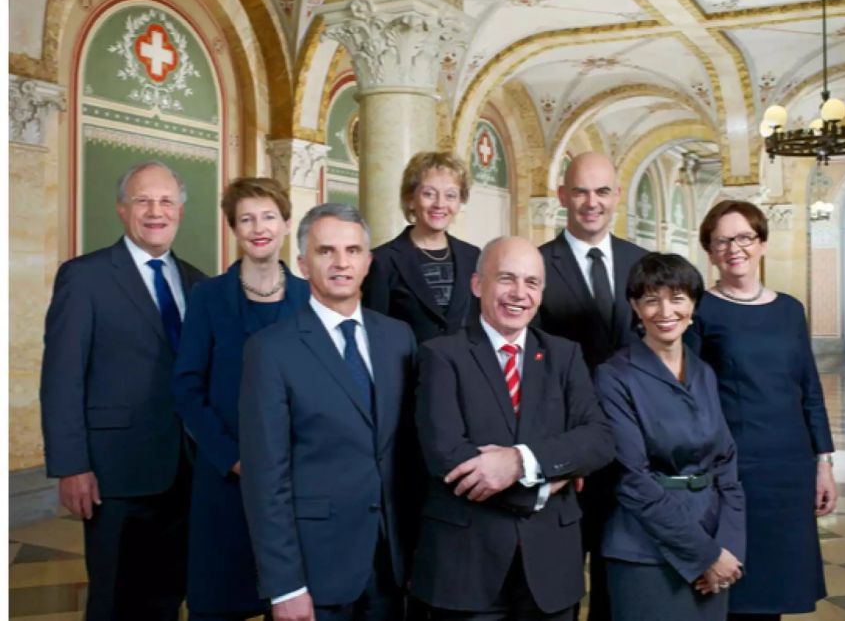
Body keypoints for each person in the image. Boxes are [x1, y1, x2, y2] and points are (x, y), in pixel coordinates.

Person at [410, 236, 616, 620]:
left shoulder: (564, 355)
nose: (519, 294)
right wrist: (549, 481)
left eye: (531, 282)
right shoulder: (441, 355)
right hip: (467, 570)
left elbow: (599, 439)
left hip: (551, 570)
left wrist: (522, 463)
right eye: (506, 279)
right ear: (477, 284)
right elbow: (448, 456)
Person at [40, 160, 206, 621]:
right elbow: (62, 376)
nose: (156, 211)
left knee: (169, 594)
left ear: (180, 211)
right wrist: (72, 465)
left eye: (166, 201)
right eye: (143, 200)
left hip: (187, 469)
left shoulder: (199, 283)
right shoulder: (85, 277)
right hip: (114, 472)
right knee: (115, 599)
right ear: (121, 209)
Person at [239, 203, 418, 621]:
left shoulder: (398, 339)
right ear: (302, 263)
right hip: (316, 572)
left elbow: (411, 454)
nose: (342, 263)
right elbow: (266, 480)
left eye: (353, 251)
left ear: (368, 261)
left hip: (392, 566)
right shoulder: (270, 351)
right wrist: (285, 586)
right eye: (326, 252)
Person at [689, 200, 837, 621]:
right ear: (710, 251)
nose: (735, 248)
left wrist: (823, 462)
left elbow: (809, 389)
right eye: (722, 240)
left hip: (789, 469)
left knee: (775, 591)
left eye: (744, 238)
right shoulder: (701, 310)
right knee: (733, 589)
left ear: (762, 244)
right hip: (735, 469)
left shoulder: (790, 309)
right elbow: (691, 397)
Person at [172, 178, 311, 621]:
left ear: (286, 224)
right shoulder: (207, 297)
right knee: (219, 601)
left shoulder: (311, 299)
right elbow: (187, 387)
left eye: (268, 216)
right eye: (246, 218)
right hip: (225, 478)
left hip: (296, 479)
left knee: (291, 601)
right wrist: (231, 458)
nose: (258, 227)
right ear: (233, 228)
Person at [594, 252, 745, 621]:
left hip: (714, 543)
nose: (665, 310)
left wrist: (728, 548)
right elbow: (632, 480)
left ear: (693, 305)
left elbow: (726, 463)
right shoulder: (614, 376)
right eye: (651, 299)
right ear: (635, 306)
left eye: (677, 297)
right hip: (644, 551)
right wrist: (704, 554)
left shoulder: (704, 372)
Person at [537, 151, 647, 620]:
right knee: (557, 580)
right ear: (562, 195)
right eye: (580, 191)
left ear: (617, 197)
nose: (591, 202)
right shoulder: (537, 266)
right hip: (567, 453)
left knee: (621, 579)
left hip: (633, 451)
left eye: (602, 191)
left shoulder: (642, 263)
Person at [362, 151, 480, 343]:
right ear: (410, 199)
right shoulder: (383, 261)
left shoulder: (473, 256)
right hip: (408, 370)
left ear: (460, 202)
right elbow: (375, 333)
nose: (440, 204)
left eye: (450, 195)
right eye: (429, 194)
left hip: (463, 371)